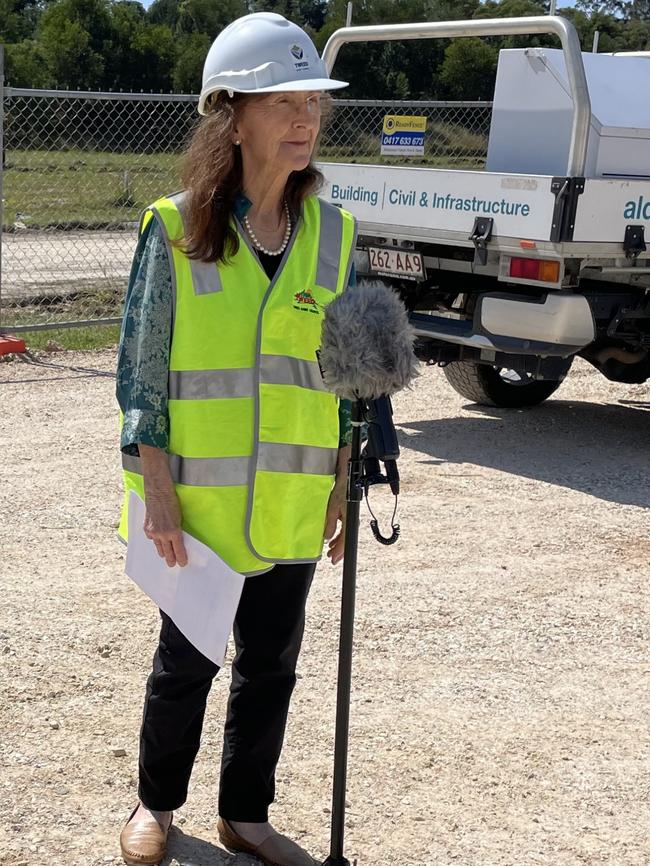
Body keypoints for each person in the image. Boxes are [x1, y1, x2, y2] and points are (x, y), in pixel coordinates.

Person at [115, 11, 357, 866]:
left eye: (313, 103)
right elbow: (142, 373)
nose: (305, 118)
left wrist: (340, 479)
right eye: (282, 101)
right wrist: (158, 491)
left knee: (272, 666)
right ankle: (155, 806)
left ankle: (244, 815)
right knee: (187, 665)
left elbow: (346, 371)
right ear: (233, 115)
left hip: (291, 499)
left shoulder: (332, 233)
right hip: (202, 504)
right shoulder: (176, 228)